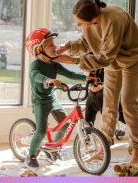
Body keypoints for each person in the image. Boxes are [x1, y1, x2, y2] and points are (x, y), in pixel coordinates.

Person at [53, 0, 138, 165]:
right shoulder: (92, 19)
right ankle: (103, 148)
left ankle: (137, 152)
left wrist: (74, 61)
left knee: (127, 103)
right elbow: (86, 43)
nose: (78, 25)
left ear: (94, 19)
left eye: (80, 23)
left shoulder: (114, 19)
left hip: (132, 57)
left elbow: (105, 58)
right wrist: (66, 47)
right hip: (112, 60)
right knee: (109, 103)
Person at [25, 28, 95, 168]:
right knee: (41, 131)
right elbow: (35, 76)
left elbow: (70, 75)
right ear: (38, 50)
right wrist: (49, 80)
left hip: (52, 99)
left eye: (54, 44)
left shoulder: (54, 64)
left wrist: (88, 78)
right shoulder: (35, 65)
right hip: (40, 101)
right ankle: (31, 155)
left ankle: (52, 150)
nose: (55, 47)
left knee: (65, 124)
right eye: (50, 45)